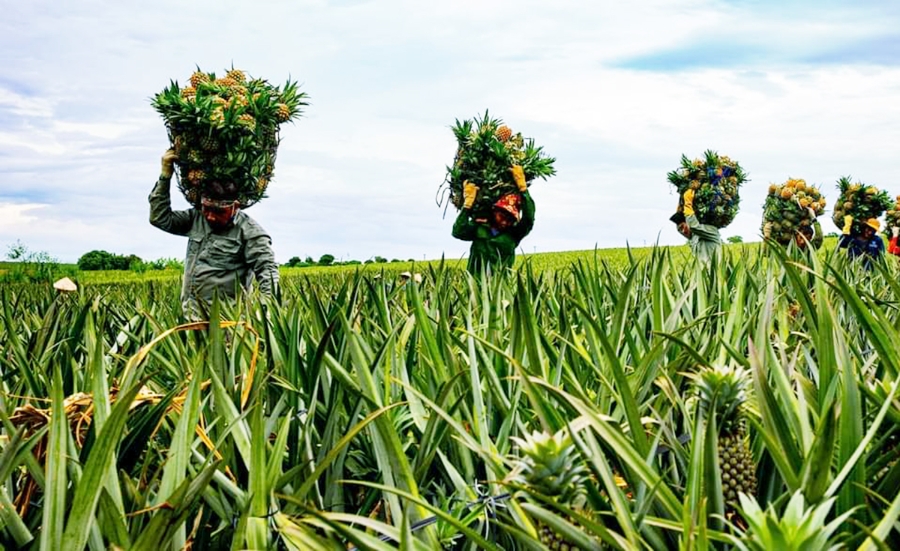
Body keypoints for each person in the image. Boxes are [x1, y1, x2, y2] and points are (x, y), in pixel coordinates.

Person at [150, 149, 279, 319]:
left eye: (218, 211)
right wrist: (165, 175)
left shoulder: (250, 233)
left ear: (236, 206)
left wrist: (265, 313)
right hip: (191, 320)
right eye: (206, 208)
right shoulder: (196, 218)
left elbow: (268, 272)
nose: (210, 216)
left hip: (228, 327)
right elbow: (160, 218)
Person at [452, 165, 535, 275]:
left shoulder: (514, 234)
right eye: (502, 215)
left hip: (501, 290)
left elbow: (529, 218)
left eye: (509, 218)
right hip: (476, 288)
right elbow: (458, 231)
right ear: (495, 211)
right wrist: (467, 204)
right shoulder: (479, 227)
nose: (505, 221)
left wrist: (523, 188)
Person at [670, 189, 722, 262]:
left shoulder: (711, 231)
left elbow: (693, 226)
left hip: (711, 272)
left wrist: (688, 204)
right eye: (681, 229)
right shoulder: (693, 237)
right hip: (700, 272)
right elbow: (680, 228)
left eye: (682, 227)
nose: (683, 231)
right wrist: (681, 201)